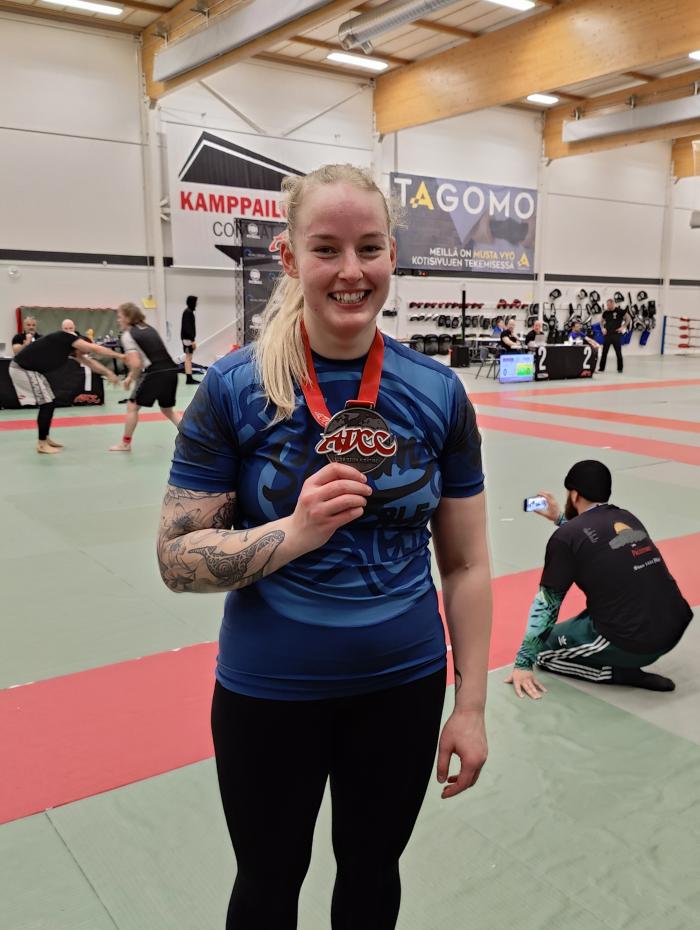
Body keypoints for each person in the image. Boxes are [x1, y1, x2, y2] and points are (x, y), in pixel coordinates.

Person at [157, 164, 492, 930]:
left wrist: (470, 706)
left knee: (373, 878)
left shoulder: (438, 392)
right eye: (326, 249)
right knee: (267, 883)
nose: (351, 271)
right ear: (289, 256)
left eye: (369, 248)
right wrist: (296, 530)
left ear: (392, 254)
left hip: (402, 688)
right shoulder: (236, 389)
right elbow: (175, 559)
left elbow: (467, 563)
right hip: (268, 693)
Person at [506, 460, 693, 700]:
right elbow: (594, 541)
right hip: (674, 625)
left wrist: (523, 663)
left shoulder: (565, 538)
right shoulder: (626, 518)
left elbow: (547, 604)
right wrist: (559, 518)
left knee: (542, 651)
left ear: (574, 495)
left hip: (635, 641)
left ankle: (619, 673)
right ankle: (625, 658)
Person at [10, 329, 124, 453]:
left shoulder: (72, 351)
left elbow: (90, 363)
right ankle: (41, 444)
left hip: (30, 370)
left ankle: (45, 438)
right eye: (84, 351)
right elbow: (96, 348)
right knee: (46, 404)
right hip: (22, 369)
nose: (83, 354)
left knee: (50, 402)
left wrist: (108, 373)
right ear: (79, 345)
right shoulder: (66, 337)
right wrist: (121, 356)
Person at [109, 302, 181, 452]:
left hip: (155, 373)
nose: (118, 320)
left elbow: (136, 364)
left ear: (128, 317)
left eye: (120, 317)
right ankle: (194, 437)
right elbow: (145, 358)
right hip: (171, 370)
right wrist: (131, 376)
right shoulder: (149, 329)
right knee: (168, 410)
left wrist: (131, 378)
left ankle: (125, 444)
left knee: (132, 407)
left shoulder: (128, 335)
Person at [599, 298, 627, 373]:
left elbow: (628, 318)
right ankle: (601, 368)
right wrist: (602, 328)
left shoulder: (619, 311)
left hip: (616, 335)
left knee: (618, 353)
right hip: (607, 335)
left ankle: (620, 369)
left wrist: (623, 327)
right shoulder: (606, 312)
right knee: (604, 353)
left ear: (613, 304)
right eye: (607, 305)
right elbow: (601, 322)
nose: (608, 307)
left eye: (609, 305)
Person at [180, 295, 200, 384]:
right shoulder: (188, 312)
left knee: (189, 358)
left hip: (187, 338)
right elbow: (187, 328)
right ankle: (189, 378)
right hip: (188, 339)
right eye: (195, 302)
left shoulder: (188, 312)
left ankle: (189, 377)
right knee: (188, 358)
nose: (196, 304)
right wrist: (192, 340)